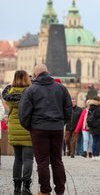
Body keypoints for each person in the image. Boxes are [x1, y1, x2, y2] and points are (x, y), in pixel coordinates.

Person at [19, 64, 72, 195]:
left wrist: (29, 127)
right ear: (48, 72)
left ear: (35, 74)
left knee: (42, 162)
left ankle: (45, 191)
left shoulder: (31, 90)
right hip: (57, 128)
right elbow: (68, 109)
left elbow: (24, 113)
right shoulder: (61, 88)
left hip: (38, 129)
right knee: (57, 160)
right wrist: (61, 122)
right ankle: (60, 190)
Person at [2, 70, 33, 195]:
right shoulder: (31, 92)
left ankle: (16, 188)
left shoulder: (9, 93)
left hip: (14, 128)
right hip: (27, 128)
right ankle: (26, 187)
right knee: (28, 159)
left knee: (18, 159)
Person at [87, 96, 100, 160]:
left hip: (92, 127)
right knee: (99, 141)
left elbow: (88, 118)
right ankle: (97, 155)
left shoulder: (90, 108)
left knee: (94, 141)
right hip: (99, 127)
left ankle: (93, 156)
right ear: (99, 101)